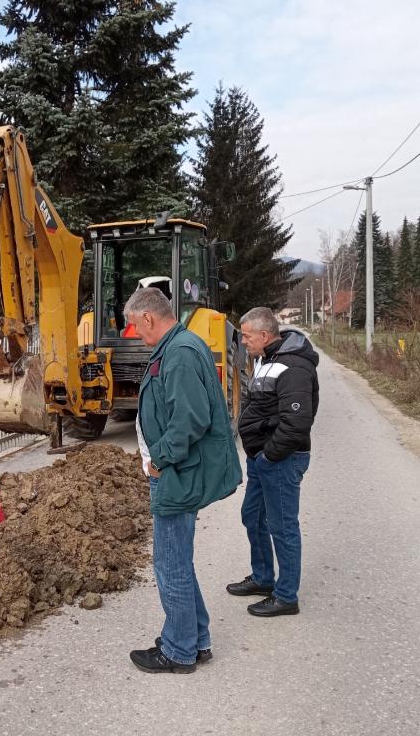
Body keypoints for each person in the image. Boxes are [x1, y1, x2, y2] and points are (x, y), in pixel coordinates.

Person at [126, 287, 241, 674]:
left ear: (148, 318)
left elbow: (190, 419)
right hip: (175, 469)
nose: (135, 335)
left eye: (135, 327)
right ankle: (196, 638)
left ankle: (178, 650)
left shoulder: (179, 354)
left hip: (175, 472)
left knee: (170, 563)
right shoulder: (179, 346)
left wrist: (160, 457)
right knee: (177, 560)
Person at [230, 307, 319, 617]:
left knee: (282, 526)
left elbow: (296, 424)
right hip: (261, 459)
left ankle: (286, 596)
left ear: (264, 335)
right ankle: (263, 578)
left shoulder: (293, 367)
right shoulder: (266, 360)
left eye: (246, 336)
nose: (243, 342)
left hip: (281, 459)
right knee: (252, 516)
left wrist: (268, 456)